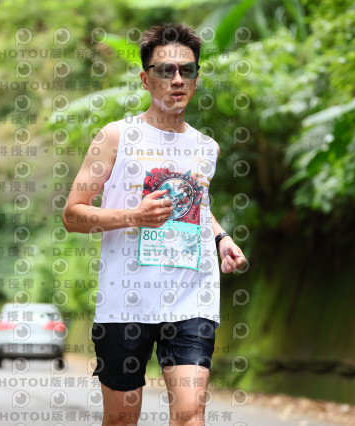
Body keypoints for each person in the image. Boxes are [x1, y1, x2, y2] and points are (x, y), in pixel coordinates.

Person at [63, 23, 247, 426]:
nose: (177, 80)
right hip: (125, 300)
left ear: (196, 77)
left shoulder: (206, 148)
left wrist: (220, 237)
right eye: (166, 70)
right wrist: (134, 216)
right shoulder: (116, 137)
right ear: (146, 79)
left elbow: (198, 206)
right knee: (121, 419)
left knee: (190, 415)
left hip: (191, 297)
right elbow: (73, 214)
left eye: (187, 70)